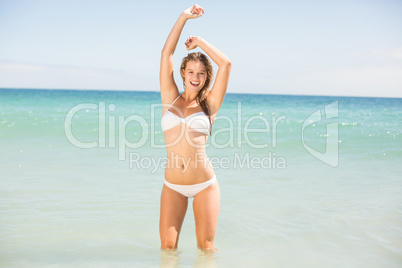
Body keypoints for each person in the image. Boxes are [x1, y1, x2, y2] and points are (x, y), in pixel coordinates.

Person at [159, 4, 231, 250]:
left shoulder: (209, 103)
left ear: (205, 76)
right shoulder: (170, 98)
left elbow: (227, 64)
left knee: (206, 249)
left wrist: (200, 42)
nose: (195, 77)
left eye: (201, 73)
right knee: (167, 249)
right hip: (172, 186)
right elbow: (165, 54)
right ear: (183, 72)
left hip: (204, 185)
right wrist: (183, 18)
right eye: (191, 71)